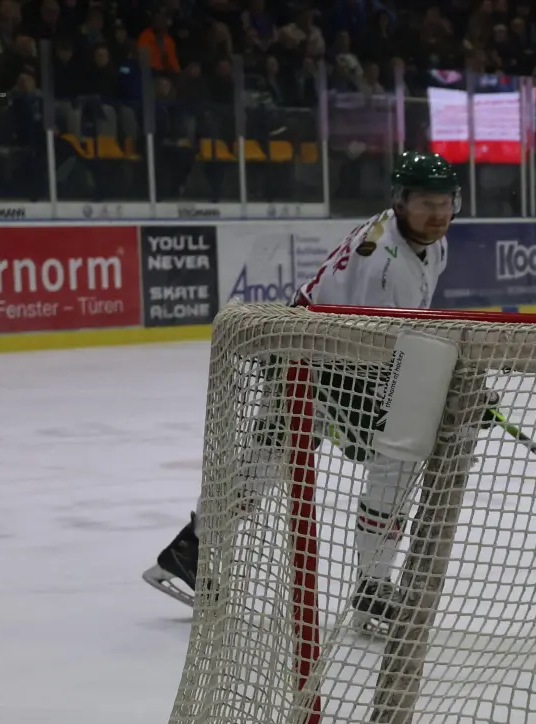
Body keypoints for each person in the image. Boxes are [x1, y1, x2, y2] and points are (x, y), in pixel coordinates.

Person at [144, 150, 462, 635]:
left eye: (445, 202)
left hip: (319, 351)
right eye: (425, 203)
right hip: (317, 359)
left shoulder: (426, 243)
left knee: (269, 460)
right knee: (397, 453)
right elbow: (387, 354)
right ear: (400, 202)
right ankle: (372, 588)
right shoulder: (384, 267)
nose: (437, 214)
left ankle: (192, 549)